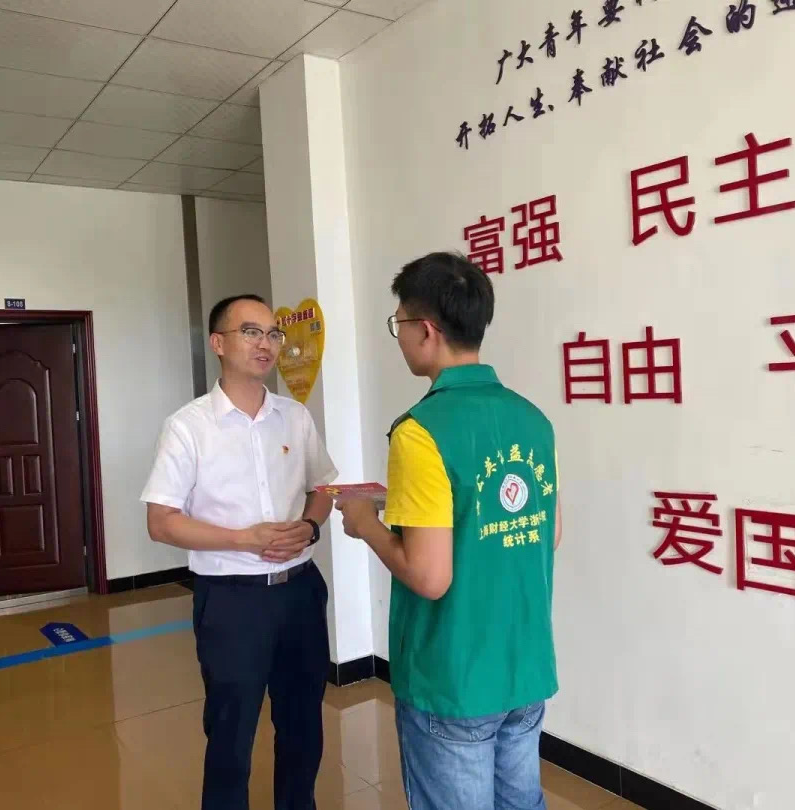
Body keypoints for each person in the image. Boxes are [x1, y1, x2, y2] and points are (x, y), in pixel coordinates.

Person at [339, 252, 562, 810]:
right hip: (524, 664)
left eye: (399, 324)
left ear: (426, 329)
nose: (399, 337)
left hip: (454, 674)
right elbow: (547, 531)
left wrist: (365, 523)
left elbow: (430, 576)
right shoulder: (532, 419)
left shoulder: (420, 431)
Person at [141, 294, 337, 810]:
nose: (265, 344)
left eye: (273, 333)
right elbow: (161, 522)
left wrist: (310, 526)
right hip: (231, 600)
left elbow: (323, 487)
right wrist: (242, 539)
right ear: (218, 343)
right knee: (231, 730)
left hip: (299, 593)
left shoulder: (294, 417)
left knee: (303, 722)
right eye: (251, 332)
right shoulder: (188, 426)